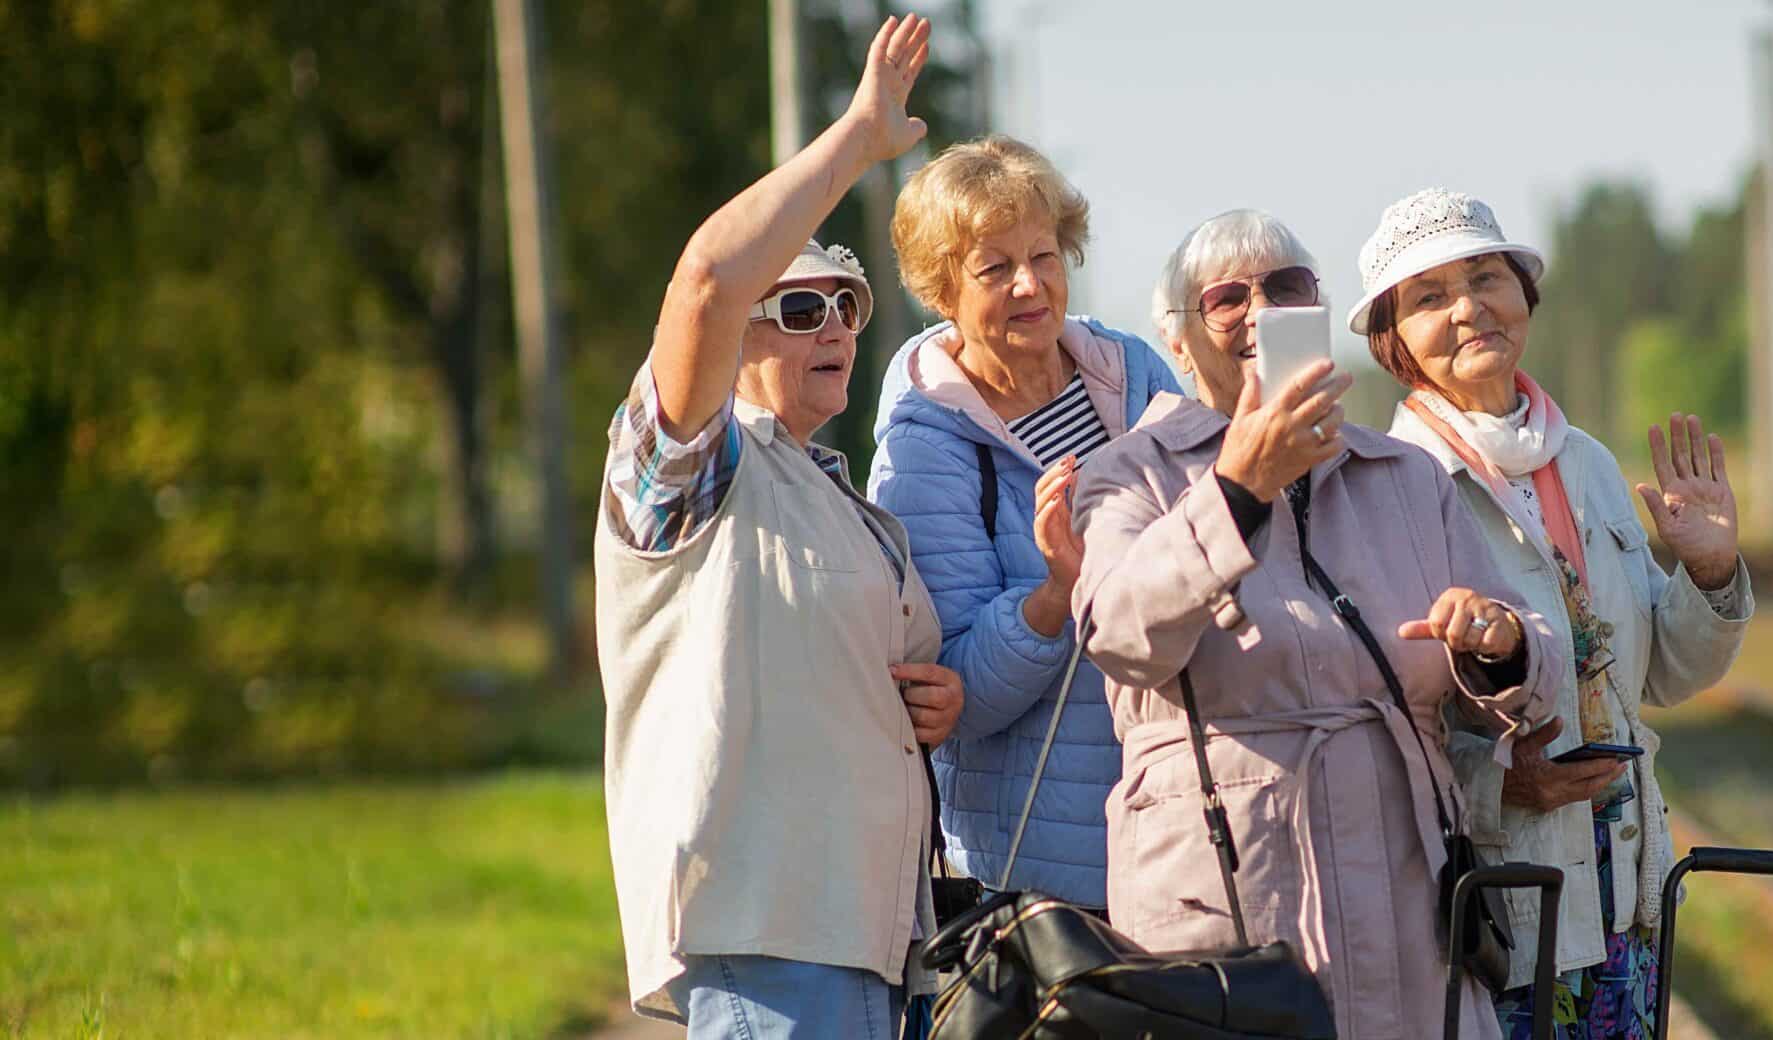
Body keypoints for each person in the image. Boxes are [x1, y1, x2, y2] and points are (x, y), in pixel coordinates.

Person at [1069, 208, 1566, 1039]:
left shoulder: (1403, 476)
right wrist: (1236, 486)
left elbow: (1533, 669)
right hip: (1232, 917)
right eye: (1228, 298)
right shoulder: (1129, 476)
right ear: (1179, 343)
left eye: (1288, 288)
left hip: (1411, 911)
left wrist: (1500, 641)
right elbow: (1117, 634)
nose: (1263, 312)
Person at [591, 16, 961, 1039]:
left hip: (879, 940)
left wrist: (933, 699)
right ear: (736, 338)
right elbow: (706, 281)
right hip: (771, 938)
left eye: (846, 304)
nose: (837, 325)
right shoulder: (694, 468)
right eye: (798, 310)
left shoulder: (854, 506)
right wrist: (855, 137)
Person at [1357, 188, 1754, 1040]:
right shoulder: (1389, 486)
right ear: (1393, 340)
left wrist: (1711, 570)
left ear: (1523, 294)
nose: (1468, 309)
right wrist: (1500, 786)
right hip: (1499, 913)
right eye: (1429, 297)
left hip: (1624, 899)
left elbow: (1663, 670)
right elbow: (1377, 725)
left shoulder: (1586, 463)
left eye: (1485, 277)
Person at [867, 136, 1186, 910]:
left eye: (1044, 256)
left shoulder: (1134, 372)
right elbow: (957, 695)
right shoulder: (923, 444)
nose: (1029, 285)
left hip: (1177, 826)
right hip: (1038, 873)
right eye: (994, 267)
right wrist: (1056, 591)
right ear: (943, 289)